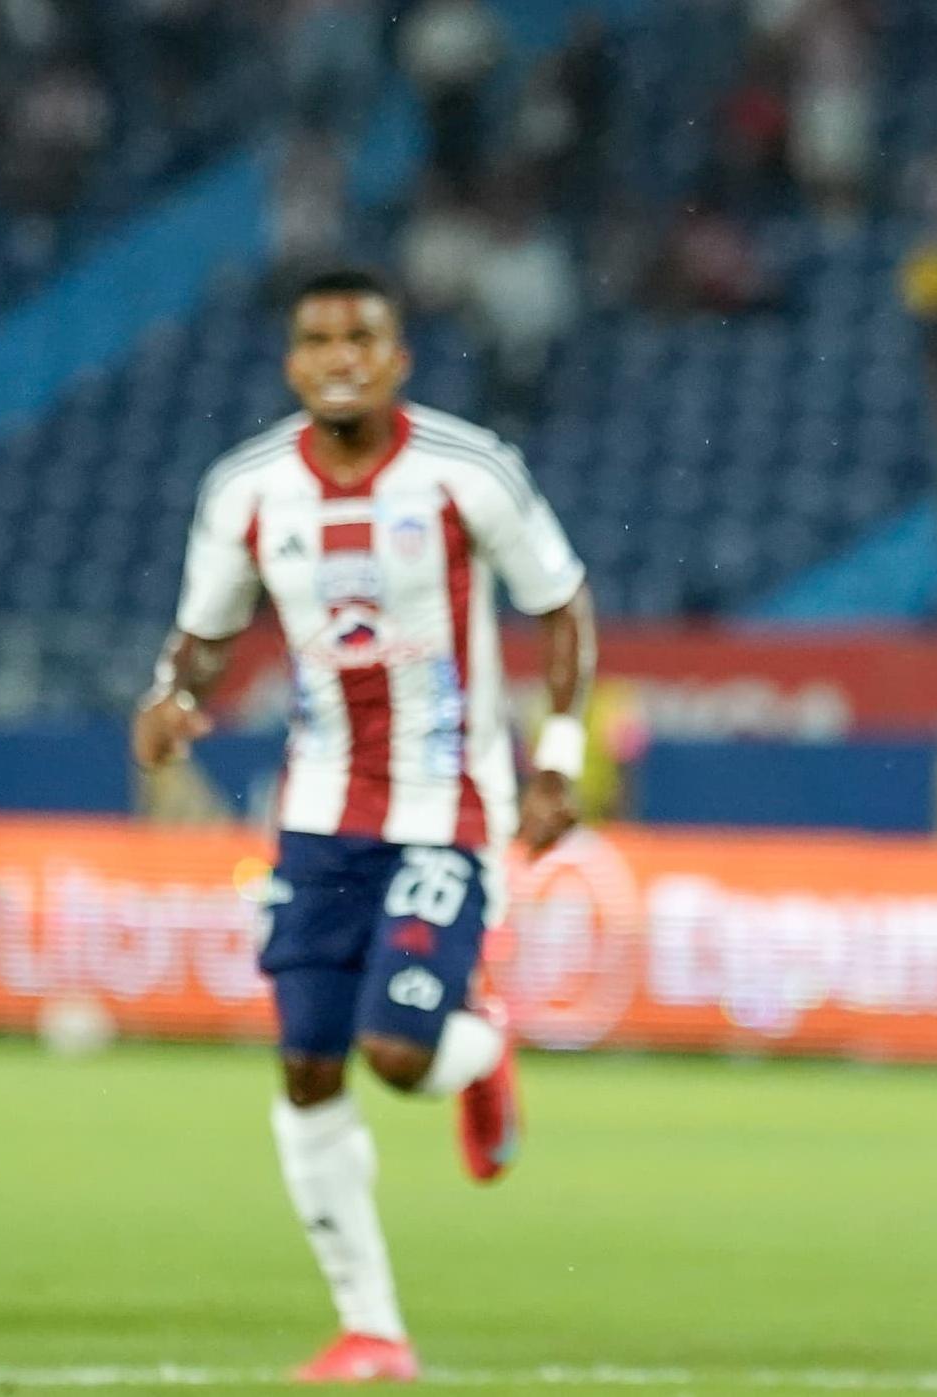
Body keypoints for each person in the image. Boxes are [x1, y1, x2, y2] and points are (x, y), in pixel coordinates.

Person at [130, 268, 596, 1384]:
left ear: (399, 358)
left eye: (362, 336)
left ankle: (478, 1053)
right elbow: (205, 631)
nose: (340, 354)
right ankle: (373, 1328)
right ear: (293, 363)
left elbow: (560, 602)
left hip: (449, 804)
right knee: (304, 1064)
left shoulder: (465, 468)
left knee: (396, 1048)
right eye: (318, 338)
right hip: (316, 811)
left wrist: (556, 760)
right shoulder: (247, 487)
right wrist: (172, 693)